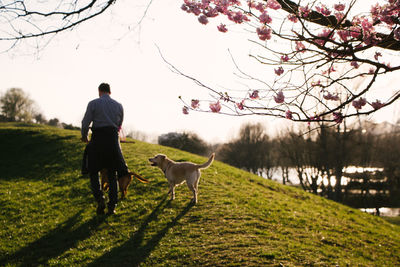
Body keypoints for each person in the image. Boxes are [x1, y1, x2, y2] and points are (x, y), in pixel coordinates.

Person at [81, 83, 128, 215]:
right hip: (112, 140)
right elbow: (119, 124)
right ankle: (112, 205)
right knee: (112, 174)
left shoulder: (93, 103)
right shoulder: (119, 105)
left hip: (98, 139)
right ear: (110, 92)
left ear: (99, 91)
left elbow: (85, 123)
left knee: (93, 171)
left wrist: (84, 136)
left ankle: (100, 199)